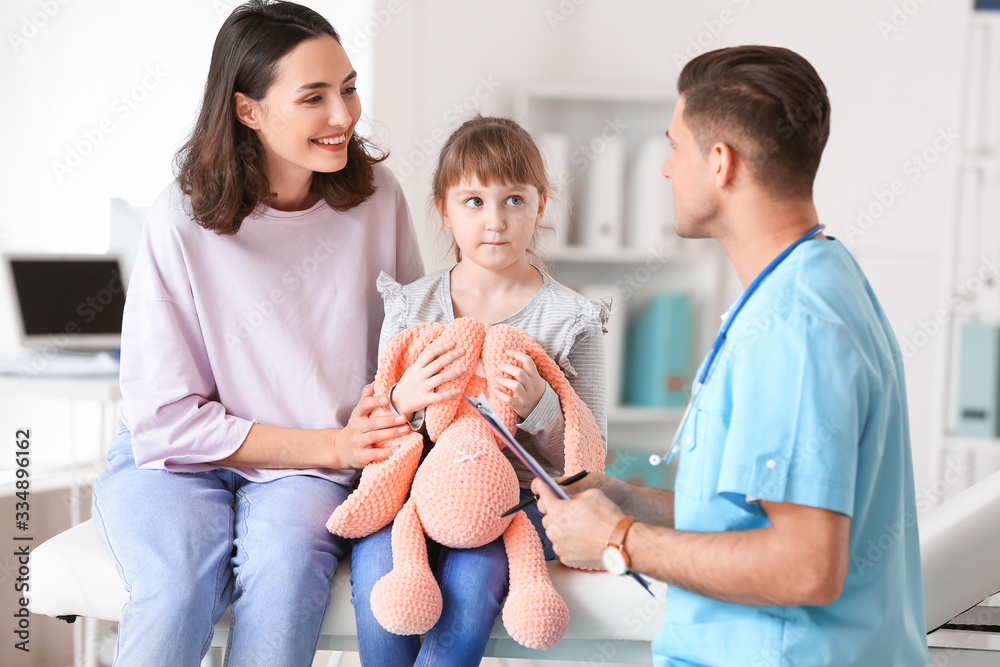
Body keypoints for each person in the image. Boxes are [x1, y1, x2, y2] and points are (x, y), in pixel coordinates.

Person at [535, 45, 928, 666]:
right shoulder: (812, 282)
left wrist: (617, 538)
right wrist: (627, 500)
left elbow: (805, 566)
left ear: (720, 163)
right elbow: (748, 519)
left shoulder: (794, 326)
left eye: (673, 146)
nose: (665, 169)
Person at [91, 2, 423, 665]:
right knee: (176, 587)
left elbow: (412, 336)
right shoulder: (181, 216)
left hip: (311, 464)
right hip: (181, 460)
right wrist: (335, 441)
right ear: (249, 110)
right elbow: (167, 420)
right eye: (314, 98)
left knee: (285, 569)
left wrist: (390, 404)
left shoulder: (375, 197)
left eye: (349, 88)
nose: (344, 116)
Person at [349, 115, 611, 666]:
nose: (495, 221)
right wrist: (405, 399)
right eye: (473, 201)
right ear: (443, 207)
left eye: (514, 200)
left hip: (511, 506)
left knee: (472, 582)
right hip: (414, 499)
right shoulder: (410, 308)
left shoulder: (572, 320)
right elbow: (377, 430)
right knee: (382, 579)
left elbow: (589, 462)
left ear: (541, 205)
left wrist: (540, 408)